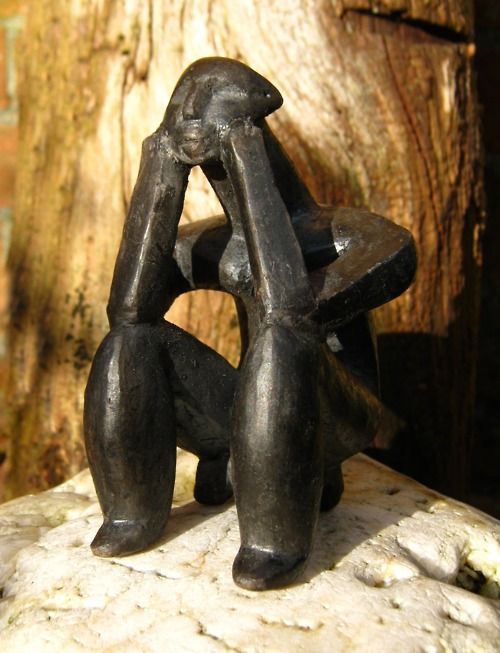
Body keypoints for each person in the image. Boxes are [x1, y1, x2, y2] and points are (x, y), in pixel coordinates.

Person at [84, 58, 416, 590]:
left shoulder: (362, 237)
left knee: (283, 336)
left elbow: (291, 308)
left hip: (337, 413)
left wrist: (246, 157)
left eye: (227, 154)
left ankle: (273, 541)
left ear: (259, 148)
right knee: (130, 341)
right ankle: (132, 512)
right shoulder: (216, 241)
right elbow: (127, 310)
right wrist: (161, 164)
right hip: (257, 412)